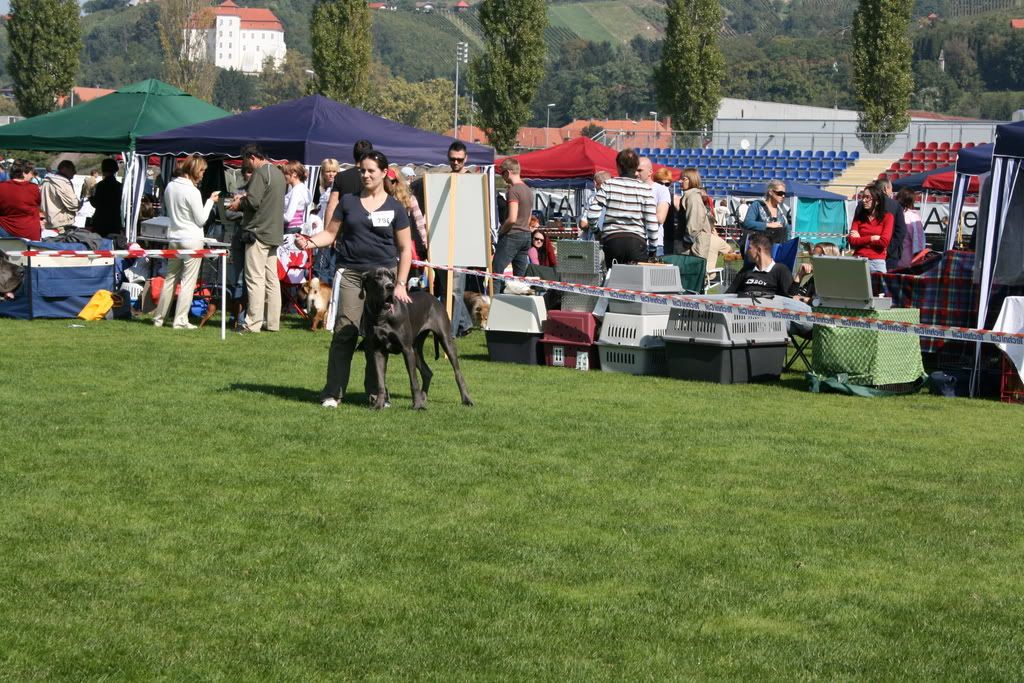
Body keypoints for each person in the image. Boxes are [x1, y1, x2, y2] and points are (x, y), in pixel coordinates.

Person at [295, 151, 412, 408]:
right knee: (345, 331)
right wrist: (309, 243)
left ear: (384, 173)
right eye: (362, 170)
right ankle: (332, 393)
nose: (366, 175)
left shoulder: (395, 208)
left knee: (376, 337)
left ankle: (377, 395)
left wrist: (401, 284)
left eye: (371, 171)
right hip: (350, 274)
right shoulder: (348, 202)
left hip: (382, 279)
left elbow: (405, 250)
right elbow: (330, 234)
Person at [152, 155, 220, 329]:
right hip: (191, 239)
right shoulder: (193, 191)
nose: (203, 174)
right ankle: (180, 320)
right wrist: (210, 202)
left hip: (174, 237)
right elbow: (201, 220)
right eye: (202, 171)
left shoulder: (170, 186)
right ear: (195, 170)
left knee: (170, 279)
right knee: (188, 282)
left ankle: (159, 318)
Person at [228, 143, 286, 333]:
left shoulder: (261, 173)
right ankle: (272, 323)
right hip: (273, 233)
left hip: (258, 232)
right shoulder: (278, 173)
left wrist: (239, 203)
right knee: (271, 280)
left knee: (255, 278)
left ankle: (252, 323)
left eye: (245, 160)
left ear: (252, 157)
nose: (245, 164)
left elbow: (253, 202)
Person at [585, 148, 658, 268]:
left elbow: (592, 215)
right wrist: (653, 250)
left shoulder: (609, 184)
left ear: (618, 167)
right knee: (637, 280)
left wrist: (597, 232)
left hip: (613, 241)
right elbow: (652, 222)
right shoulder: (645, 189)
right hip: (637, 242)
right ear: (636, 167)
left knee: (614, 278)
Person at [491, 158, 534, 281]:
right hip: (526, 235)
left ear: (508, 172)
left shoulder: (513, 191)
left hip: (512, 235)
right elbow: (529, 218)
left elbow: (512, 219)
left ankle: (495, 294)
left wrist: (500, 231)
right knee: (519, 278)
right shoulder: (528, 190)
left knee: (496, 272)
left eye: (502, 173)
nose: (502, 177)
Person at [323, 140, 373, 234]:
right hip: (369, 230)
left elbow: (332, 206)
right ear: (371, 156)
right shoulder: (375, 178)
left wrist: (327, 233)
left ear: (354, 155)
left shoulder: (341, 177)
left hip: (345, 230)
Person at [727, 232, 797, 297]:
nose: (747, 252)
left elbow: (790, 298)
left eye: (749, 248)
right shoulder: (746, 269)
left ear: (759, 250)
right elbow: (728, 294)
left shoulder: (781, 270)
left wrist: (798, 278)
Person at [849, 183, 894, 273]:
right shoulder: (859, 217)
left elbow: (884, 242)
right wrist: (872, 238)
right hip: (858, 260)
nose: (863, 200)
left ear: (877, 200)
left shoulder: (888, 217)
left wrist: (860, 239)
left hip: (877, 263)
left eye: (867, 197)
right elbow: (852, 241)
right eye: (863, 197)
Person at [676, 168, 718, 262]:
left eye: (684, 179)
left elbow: (694, 220)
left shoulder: (693, 196)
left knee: (691, 269)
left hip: (693, 247)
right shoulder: (691, 195)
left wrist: (687, 241)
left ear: (692, 180)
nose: (680, 181)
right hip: (693, 244)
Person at [313, 158, 340, 282]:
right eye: (328, 171)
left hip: (329, 234)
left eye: (334, 171)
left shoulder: (337, 191)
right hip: (321, 232)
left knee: (322, 270)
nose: (331, 174)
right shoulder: (324, 190)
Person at [0, 160, 42, 241]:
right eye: (31, 173)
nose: (32, 176)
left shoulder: (1, 187)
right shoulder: (34, 188)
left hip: (5, 231)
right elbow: (39, 206)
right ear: (24, 173)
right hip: (30, 233)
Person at [638, 157, 670, 257]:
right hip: (633, 242)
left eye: (639, 170)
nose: (636, 173)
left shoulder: (661, 190)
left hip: (653, 244)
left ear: (650, 172)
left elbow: (660, 218)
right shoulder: (631, 188)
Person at [742, 179, 790, 244]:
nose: (783, 196)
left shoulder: (781, 211)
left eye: (784, 194)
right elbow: (747, 223)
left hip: (777, 247)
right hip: (759, 246)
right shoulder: (758, 205)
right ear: (770, 192)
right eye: (780, 193)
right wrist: (768, 225)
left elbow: (786, 232)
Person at [40, 159, 79, 233]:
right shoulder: (62, 183)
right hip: (61, 225)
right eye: (72, 169)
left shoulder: (46, 181)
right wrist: (79, 204)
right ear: (64, 169)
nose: (75, 172)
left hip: (48, 224)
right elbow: (74, 204)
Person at [877, 178, 908, 271]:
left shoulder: (863, 204)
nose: (892, 191)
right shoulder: (896, 206)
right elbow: (901, 231)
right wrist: (889, 249)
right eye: (891, 188)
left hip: (868, 252)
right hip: (890, 254)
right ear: (885, 189)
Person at [88, 158, 123, 237]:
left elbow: (96, 203)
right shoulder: (119, 186)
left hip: (100, 221)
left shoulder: (100, 185)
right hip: (114, 220)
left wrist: (90, 198)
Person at [896, 187, 926, 269]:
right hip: (908, 263)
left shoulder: (893, 214)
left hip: (893, 260)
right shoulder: (913, 217)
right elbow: (919, 242)